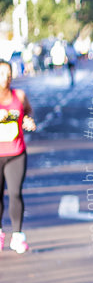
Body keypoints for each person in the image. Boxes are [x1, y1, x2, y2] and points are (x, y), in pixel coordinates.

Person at [0, 60, 36, 254]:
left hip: (16, 152)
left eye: (8, 73)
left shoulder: (19, 96)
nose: (5, 78)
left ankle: (17, 236)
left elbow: (27, 114)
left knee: (15, 193)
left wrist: (28, 121)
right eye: (1, 73)